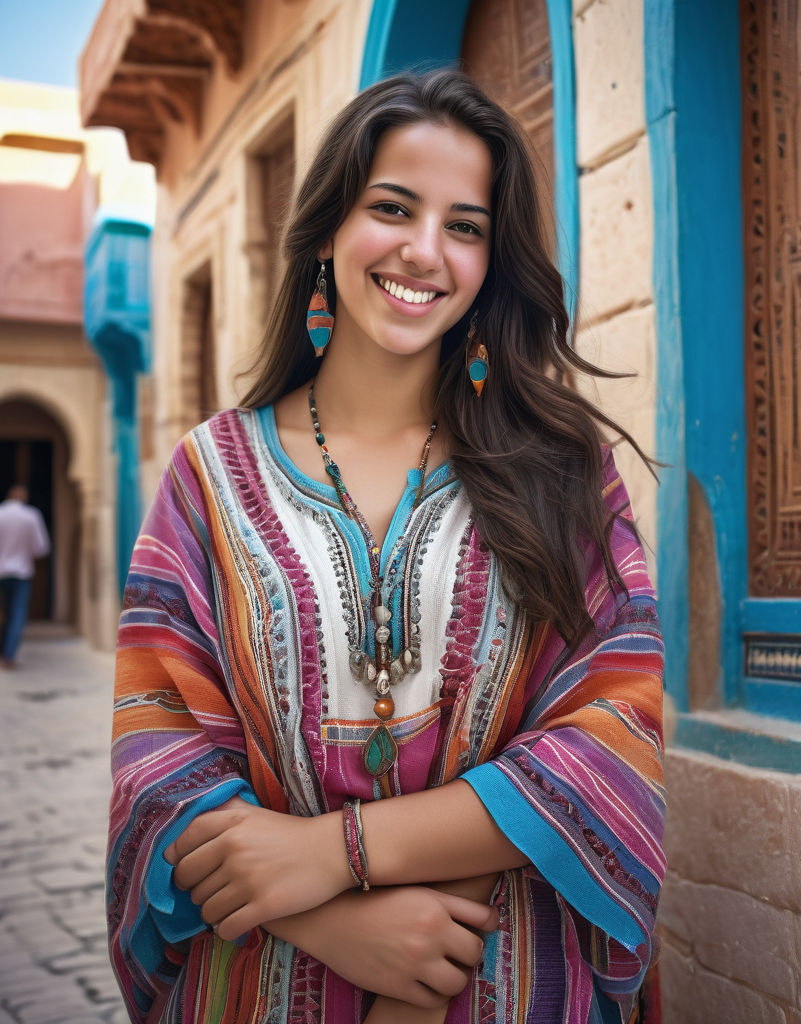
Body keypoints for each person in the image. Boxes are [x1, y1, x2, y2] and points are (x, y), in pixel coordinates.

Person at [107, 70, 665, 1024]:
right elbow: (161, 758)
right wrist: (328, 921)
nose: (425, 251)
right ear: (328, 228)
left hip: (510, 983)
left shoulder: (565, 471)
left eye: (466, 225)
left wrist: (334, 854)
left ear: (492, 260)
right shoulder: (207, 475)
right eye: (394, 208)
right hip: (259, 983)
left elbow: (610, 742)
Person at [0, 483, 51, 669]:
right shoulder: (31, 515)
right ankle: (8, 656)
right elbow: (41, 548)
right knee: (16, 615)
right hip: (21, 572)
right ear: (23, 497)